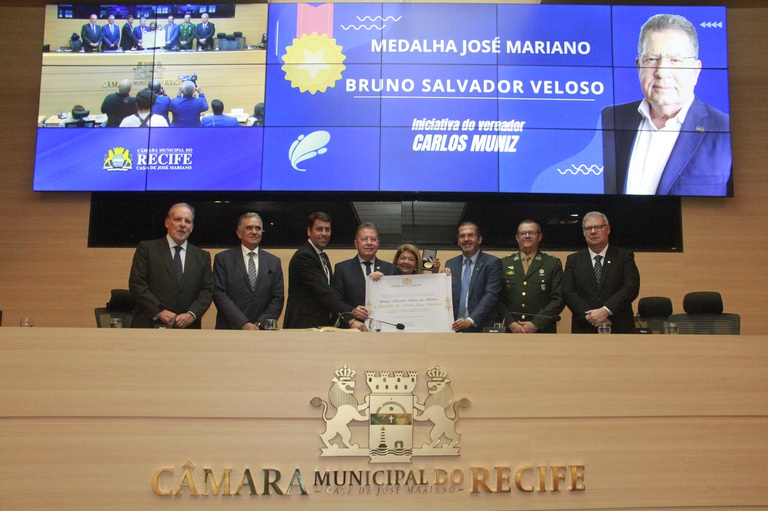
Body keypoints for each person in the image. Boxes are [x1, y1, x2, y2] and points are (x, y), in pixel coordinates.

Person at [602, 13, 731, 196]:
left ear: (695, 70)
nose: (662, 72)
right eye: (651, 60)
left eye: (675, 60)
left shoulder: (725, 131)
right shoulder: (609, 119)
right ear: (639, 66)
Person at [129, 203, 214, 329]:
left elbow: (208, 290)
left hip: (188, 328)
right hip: (150, 325)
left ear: (192, 227)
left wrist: (192, 314)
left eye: (187, 221)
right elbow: (137, 284)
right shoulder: (147, 249)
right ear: (167, 223)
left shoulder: (202, 256)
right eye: (177, 219)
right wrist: (159, 311)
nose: (182, 225)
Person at [283, 212, 365, 330]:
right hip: (303, 325)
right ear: (309, 231)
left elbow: (331, 291)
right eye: (319, 229)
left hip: (319, 324)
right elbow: (324, 292)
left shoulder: (322, 256)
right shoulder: (304, 256)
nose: (324, 233)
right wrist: (350, 320)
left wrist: (351, 311)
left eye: (327, 229)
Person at [562, 211, 640, 334]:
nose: (593, 231)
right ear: (584, 232)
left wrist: (605, 311)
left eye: (598, 227)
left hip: (619, 326)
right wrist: (592, 316)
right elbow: (568, 291)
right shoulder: (574, 260)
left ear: (607, 229)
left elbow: (631, 287)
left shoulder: (624, 256)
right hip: (585, 327)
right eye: (588, 228)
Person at [213, 212, 284, 330]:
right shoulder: (223, 259)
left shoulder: (274, 262)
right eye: (249, 228)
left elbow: (278, 298)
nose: (254, 232)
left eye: (258, 228)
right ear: (239, 233)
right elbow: (219, 294)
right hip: (230, 329)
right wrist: (243, 323)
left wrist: (259, 324)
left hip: (262, 331)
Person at [497, 220, 564, 333]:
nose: (527, 236)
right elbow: (498, 299)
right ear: (517, 238)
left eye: (532, 233)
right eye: (523, 233)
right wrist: (510, 322)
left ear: (539, 237)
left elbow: (559, 299)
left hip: (543, 330)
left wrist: (536, 323)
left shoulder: (552, 263)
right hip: (511, 330)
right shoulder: (504, 263)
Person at [331, 223, 396, 321]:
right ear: (356, 243)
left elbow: (395, 300)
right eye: (364, 239)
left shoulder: (390, 269)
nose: (369, 243)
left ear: (378, 243)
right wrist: (352, 311)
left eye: (373, 239)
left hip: (383, 325)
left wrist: (384, 282)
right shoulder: (342, 268)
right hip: (353, 326)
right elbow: (335, 301)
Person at [445, 222, 503, 332]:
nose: (466, 239)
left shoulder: (492, 263)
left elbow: (491, 295)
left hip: (481, 327)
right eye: (462, 236)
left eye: (471, 235)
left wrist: (470, 320)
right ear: (458, 241)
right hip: (455, 327)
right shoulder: (450, 264)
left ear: (479, 239)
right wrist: (440, 277)